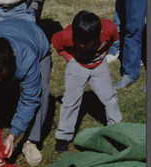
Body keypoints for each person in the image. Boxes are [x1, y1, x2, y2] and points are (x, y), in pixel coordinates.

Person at [0, 18, 51, 166]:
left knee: (41, 92)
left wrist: (13, 135)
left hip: (35, 38)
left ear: (12, 59)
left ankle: (31, 141)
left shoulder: (27, 58)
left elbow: (29, 99)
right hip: (7, 30)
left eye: (1, 74)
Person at [52, 11, 122, 153]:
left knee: (110, 98)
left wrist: (104, 53)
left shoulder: (108, 28)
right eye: (80, 43)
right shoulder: (66, 36)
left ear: (99, 34)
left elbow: (113, 38)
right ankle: (63, 137)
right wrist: (69, 58)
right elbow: (56, 42)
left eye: (86, 43)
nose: (83, 46)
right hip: (77, 65)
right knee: (70, 101)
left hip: (99, 65)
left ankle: (117, 131)